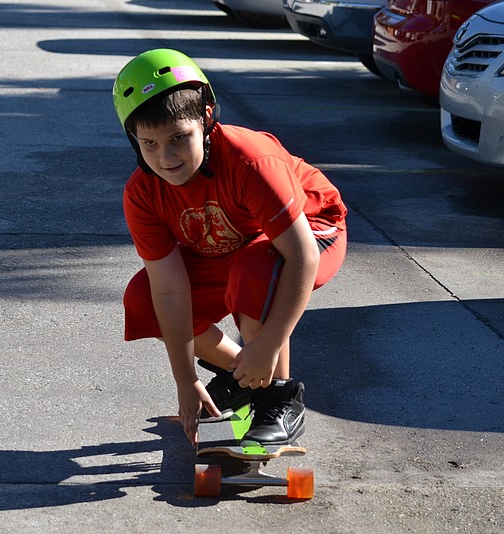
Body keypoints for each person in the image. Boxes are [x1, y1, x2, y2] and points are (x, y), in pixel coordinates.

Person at [113, 49, 347, 446]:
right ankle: (246, 377)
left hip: (313, 229)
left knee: (254, 270)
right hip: (236, 243)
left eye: (178, 138)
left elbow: (301, 255)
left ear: (206, 118)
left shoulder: (251, 161)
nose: (166, 158)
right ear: (134, 139)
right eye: (149, 143)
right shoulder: (142, 194)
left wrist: (269, 343)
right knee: (143, 297)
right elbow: (169, 289)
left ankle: (279, 400)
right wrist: (185, 381)